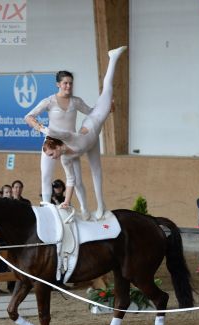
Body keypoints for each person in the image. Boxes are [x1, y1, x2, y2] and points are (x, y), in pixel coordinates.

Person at [42, 46, 127, 219]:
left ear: (57, 146)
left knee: (107, 90)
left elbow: (53, 130)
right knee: (95, 170)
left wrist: (41, 128)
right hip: (92, 143)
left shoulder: (67, 136)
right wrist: (66, 201)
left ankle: (113, 58)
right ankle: (94, 207)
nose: (52, 158)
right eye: (50, 156)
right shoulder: (65, 158)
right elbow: (71, 181)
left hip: (94, 121)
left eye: (52, 154)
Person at [25, 70, 92, 220]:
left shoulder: (76, 101)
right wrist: (41, 128)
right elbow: (28, 117)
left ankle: (84, 209)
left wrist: (108, 108)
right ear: (58, 84)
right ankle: (46, 210)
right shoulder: (49, 101)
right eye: (65, 83)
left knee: (77, 179)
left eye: (70, 83)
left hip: (71, 144)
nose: (68, 86)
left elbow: (92, 112)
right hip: (52, 144)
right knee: (46, 176)